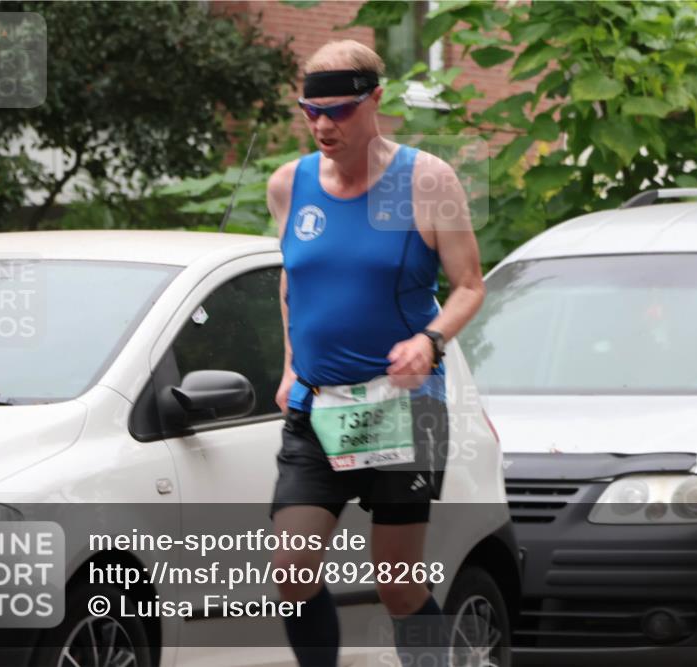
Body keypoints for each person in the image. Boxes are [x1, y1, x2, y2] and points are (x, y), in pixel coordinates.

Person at [266, 39, 485, 667]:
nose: (323, 126)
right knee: (292, 570)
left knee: (397, 584)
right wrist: (288, 365)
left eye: (339, 110)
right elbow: (292, 281)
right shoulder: (290, 184)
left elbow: (470, 285)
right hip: (318, 406)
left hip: (402, 405)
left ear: (376, 102)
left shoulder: (424, 180)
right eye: (311, 112)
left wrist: (430, 339)